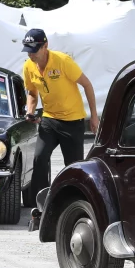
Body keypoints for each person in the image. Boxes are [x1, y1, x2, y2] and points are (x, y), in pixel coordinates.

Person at [21, 28, 99, 230]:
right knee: (39, 158)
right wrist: (30, 111)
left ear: (45, 46)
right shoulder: (28, 66)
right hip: (49, 119)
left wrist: (94, 117)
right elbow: (32, 92)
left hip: (72, 122)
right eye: (28, 50)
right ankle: (40, 209)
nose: (31, 54)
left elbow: (87, 85)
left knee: (73, 167)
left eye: (34, 50)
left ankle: (74, 207)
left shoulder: (63, 61)